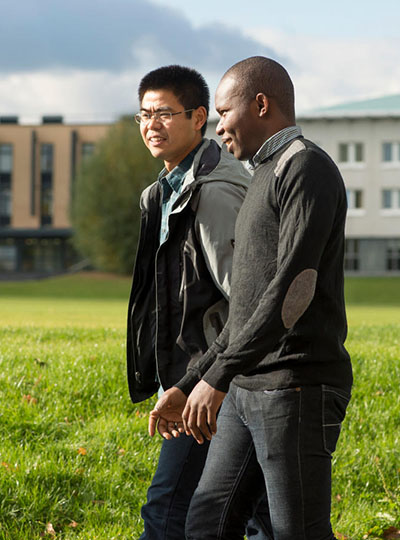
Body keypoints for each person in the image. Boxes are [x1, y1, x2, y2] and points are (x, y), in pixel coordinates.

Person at [149, 56, 353, 540]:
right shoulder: (260, 175)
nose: (219, 128)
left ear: (260, 104)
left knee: (295, 532)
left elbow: (292, 292)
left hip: (296, 386)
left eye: (224, 113)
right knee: (207, 525)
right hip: (246, 386)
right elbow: (245, 307)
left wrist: (216, 377)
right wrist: (192, 380)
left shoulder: (305, 167)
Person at [127, 65, 271, 540]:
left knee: (169, 511)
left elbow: (247, 301)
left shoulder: (214, 192)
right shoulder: (164, 193)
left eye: (165, 113)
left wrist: (204, 381)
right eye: (144, 114)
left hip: (221, 381)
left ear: (198, 117)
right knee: (256, 516)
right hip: (203, 378)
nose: (152, 124)